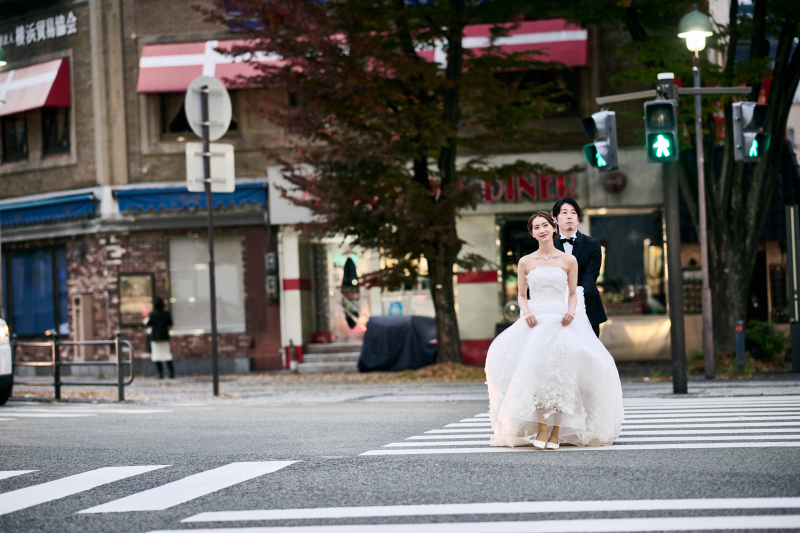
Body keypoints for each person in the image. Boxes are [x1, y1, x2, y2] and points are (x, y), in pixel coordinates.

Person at [485, 211, 623, 449]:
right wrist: (526, 311)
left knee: (563, 374)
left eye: (545, 225)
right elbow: (520, 295)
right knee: (534, 372)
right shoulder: (525, 262)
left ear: (553, 227)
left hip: (562, 319)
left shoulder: (569, 261)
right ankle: (541, 430)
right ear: (532, 233)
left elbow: (572, 293)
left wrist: (571, 311)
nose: (542, 230)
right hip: (536, 321)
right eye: (536, 227)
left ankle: (557, 433)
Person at [553, 198, 607, 337]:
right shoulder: (549, 246)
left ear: (578, 219)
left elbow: (590, 278)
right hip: (556, 310)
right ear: (555, 219)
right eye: (564, 212)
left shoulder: (593, 244)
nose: (569, 216)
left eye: (573, 212)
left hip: (587, 307)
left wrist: (572, 305)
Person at [146, 297, 175, 379]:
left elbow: (148, 324)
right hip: (164, 337)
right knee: (167, 355)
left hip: (155, 338)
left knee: (157, 356)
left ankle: (161, 373)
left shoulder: (153, 314)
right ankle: (171, 372)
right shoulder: (166, 314)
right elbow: (170, 323)